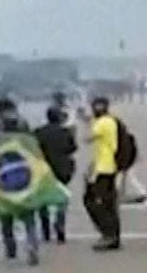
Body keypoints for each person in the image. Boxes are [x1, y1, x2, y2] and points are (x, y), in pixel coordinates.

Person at [0, 105, 66, 266]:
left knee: (6, 218)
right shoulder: (30, 141)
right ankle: (32, 247)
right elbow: (39, 162)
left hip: (3, 183)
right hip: (26, 182)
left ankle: (11, 249)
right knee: (29, 219)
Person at [84, 95, 124, 251]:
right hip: (108, 166)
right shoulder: (111, 121)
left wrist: (85, 121)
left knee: (93, 201)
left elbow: (87, 138)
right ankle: (113, 236)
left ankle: (108, 234)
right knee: (109, 203)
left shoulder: (102, 123)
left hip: (104, 168)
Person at [33, 104, 77, 244]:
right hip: (62, 169)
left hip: (43, 170)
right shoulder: (65, 132)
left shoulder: (38, 132)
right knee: (61, 199)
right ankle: (60, 224)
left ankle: (45, 228)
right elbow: (72, 148)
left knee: (42, 199)